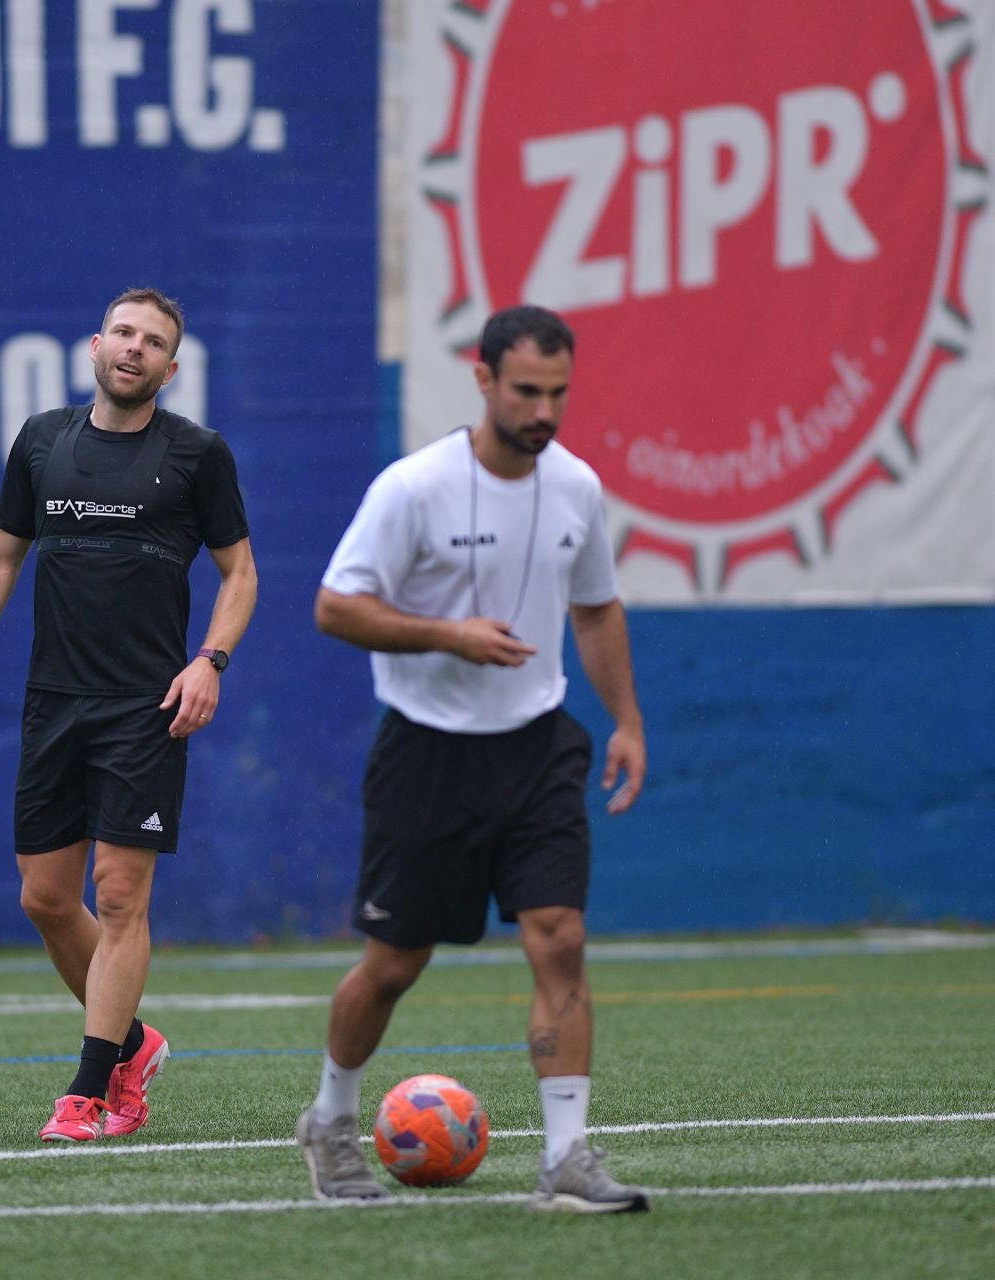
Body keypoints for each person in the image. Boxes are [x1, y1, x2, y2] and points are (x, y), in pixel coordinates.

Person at [295, 304, 649, 1213]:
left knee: (559, 939)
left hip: (536, 749)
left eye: (558, 393)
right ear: (484, 379)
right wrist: (447, 635)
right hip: (427, 756)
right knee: (394, 965)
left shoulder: (575, 487)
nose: (544, 410)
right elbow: (335, 607)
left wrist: (626, 722)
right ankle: (331, 1121)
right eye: (527, 391)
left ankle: (566, 1157)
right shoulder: (414, 489)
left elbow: (598, 608)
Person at [0, 287, 257, 1143]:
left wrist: (209, 662)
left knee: (119, 895)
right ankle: (134, 1046)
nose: (134, 348)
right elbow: (2, 558)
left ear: (171, 368)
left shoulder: (197, 455)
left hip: (145, 708)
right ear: (94, 346)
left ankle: (89, 1089)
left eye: (154, 342)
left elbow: (240, 574)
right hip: (54, 702)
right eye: (123, 333)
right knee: (43, 897)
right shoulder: (43, 442)